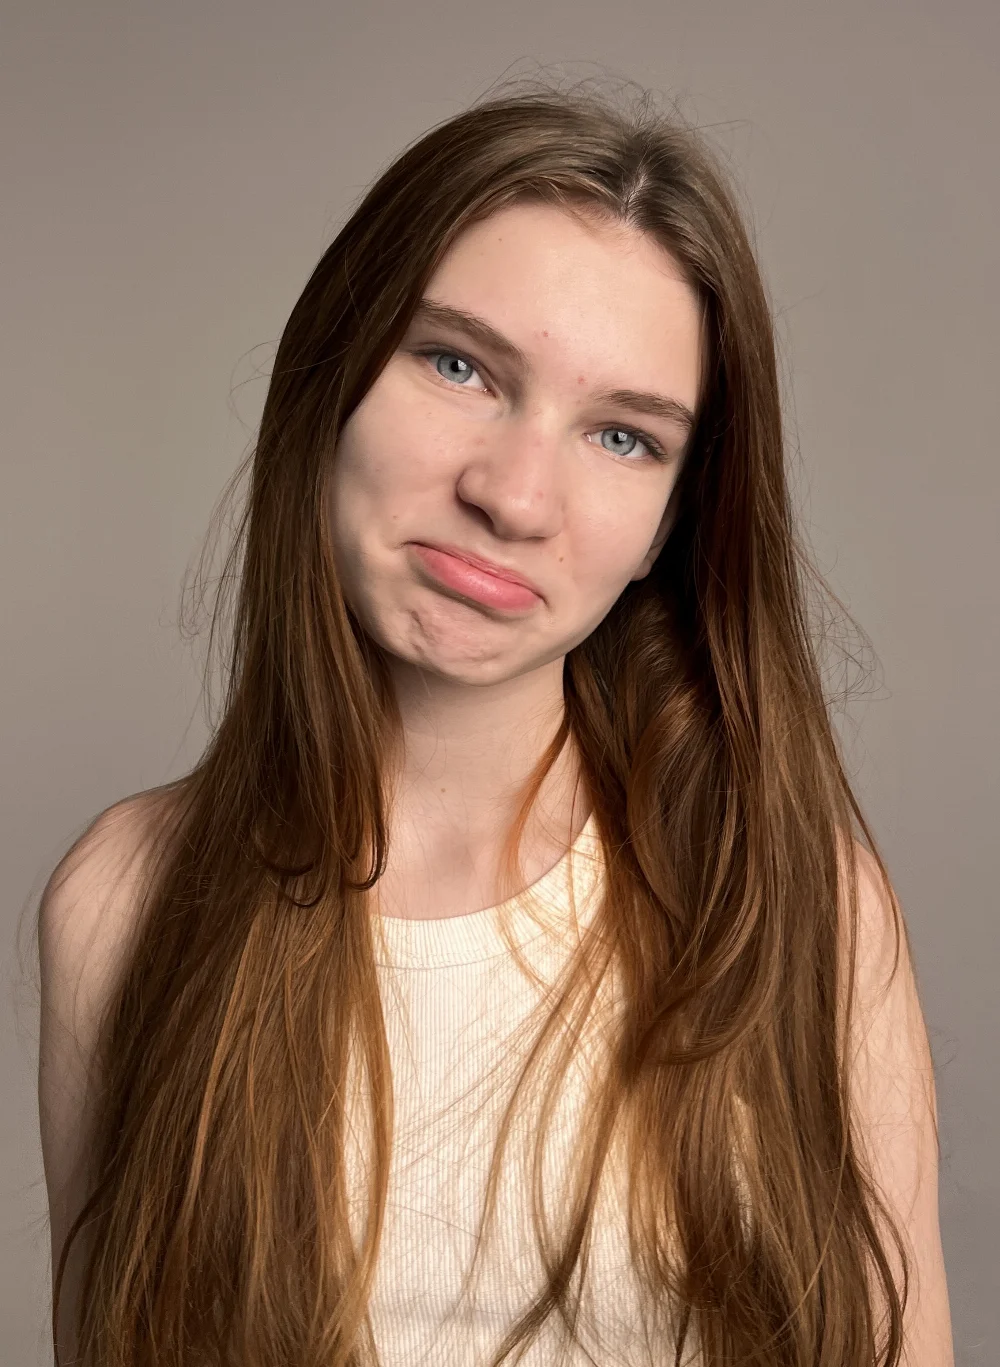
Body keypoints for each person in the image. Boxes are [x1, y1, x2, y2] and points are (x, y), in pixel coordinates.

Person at [36, 82, 954, 1367]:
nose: (515, 497)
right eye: (459, 365)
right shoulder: (125, 900)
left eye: (622, 436)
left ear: (671, 525)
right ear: (333, 371)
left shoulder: (796, 906)